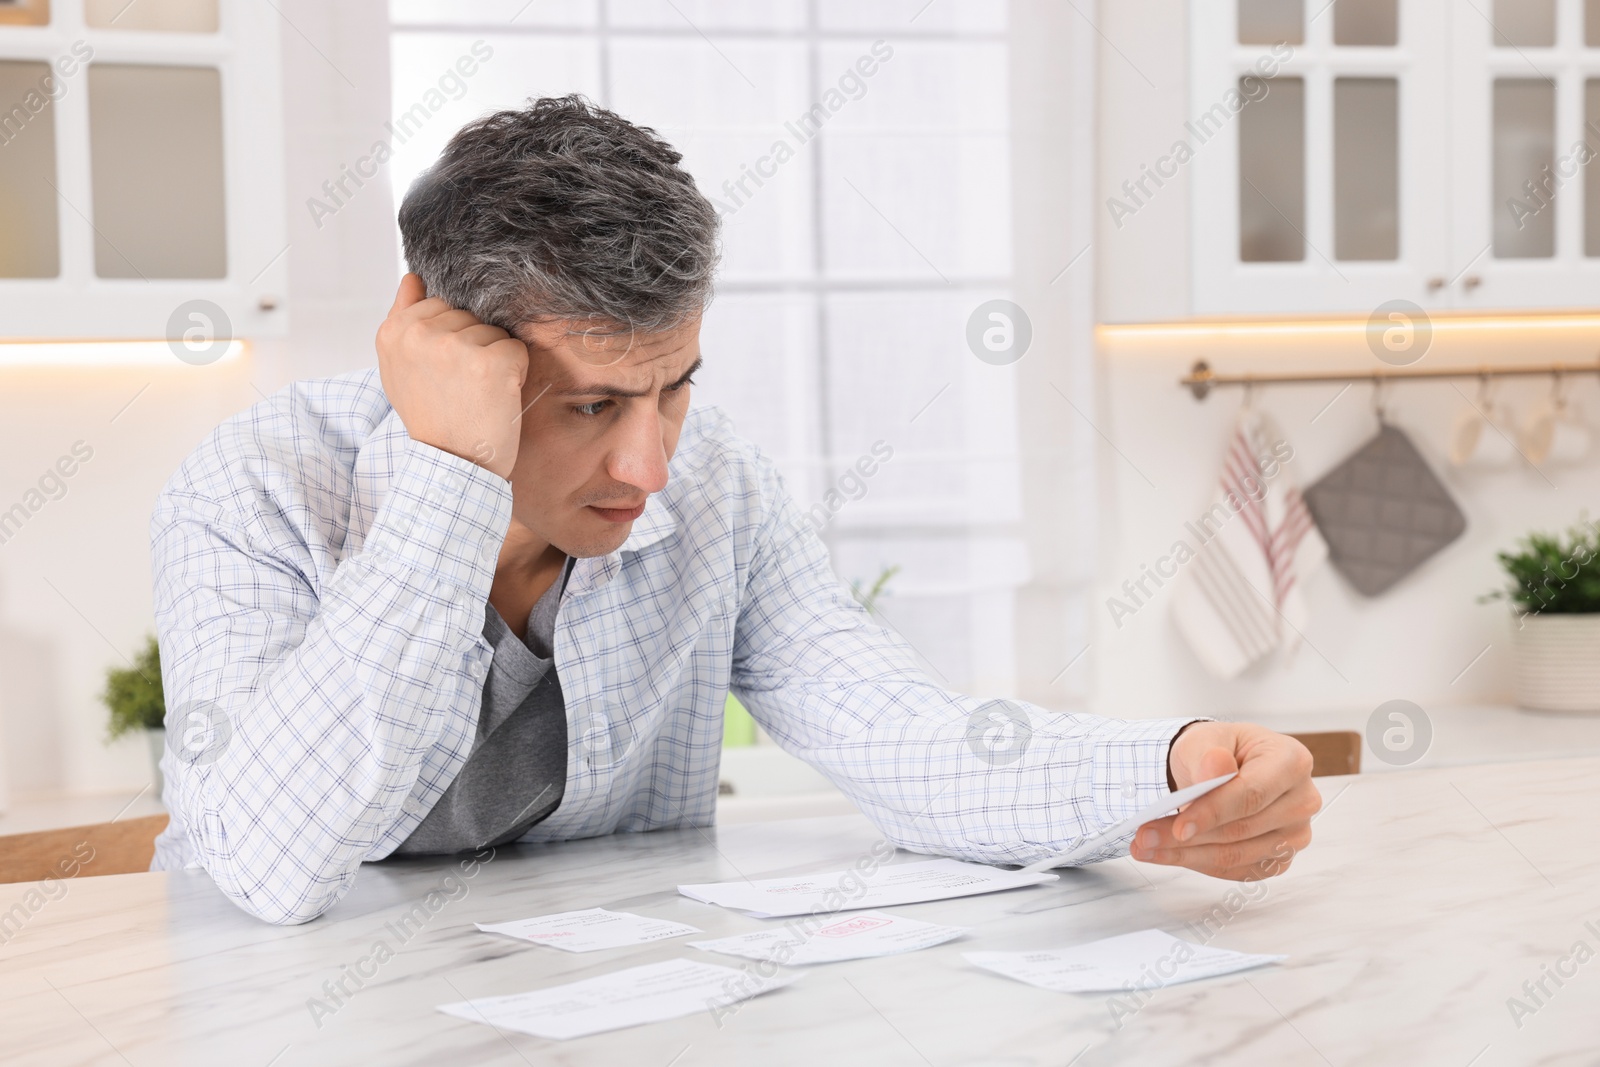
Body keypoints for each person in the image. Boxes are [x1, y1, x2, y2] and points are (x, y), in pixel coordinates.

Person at [149, 95, 1318, 925]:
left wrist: (1164, 770)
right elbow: (271, 866)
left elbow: (895, 732)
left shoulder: (719, 490)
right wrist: (448, 471)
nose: (649, 465)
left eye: (678, 386)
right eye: (592, 404)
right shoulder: (252, 487)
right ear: (443, 349)